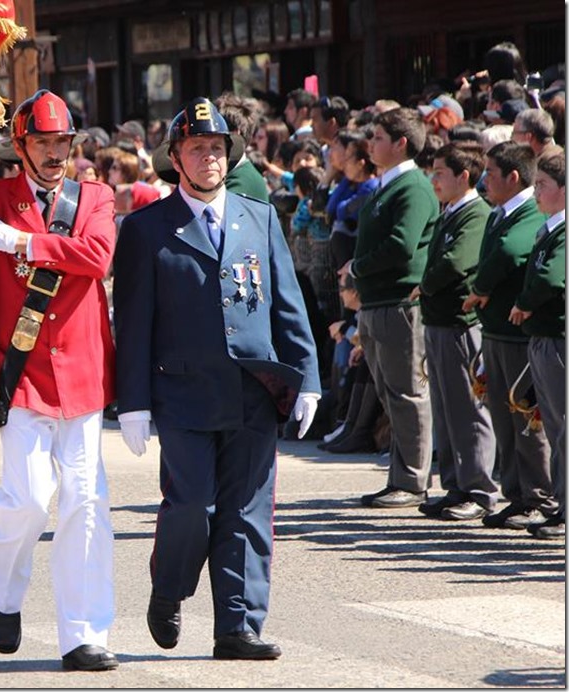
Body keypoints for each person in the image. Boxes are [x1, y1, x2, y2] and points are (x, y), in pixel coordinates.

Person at [113, 97, 320, 661]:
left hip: (254, 388)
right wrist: (131, 401)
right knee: (192, 505)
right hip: (181, 392)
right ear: (175, 157)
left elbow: (287, 303)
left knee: (248, 511)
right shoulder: (146, 228)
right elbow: (132, 323)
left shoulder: (259, 215)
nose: (208, 157)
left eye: (217, 148)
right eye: (196, 148)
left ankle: (238, 625)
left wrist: (308, 378)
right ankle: (169, 588)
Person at [0, 89, 119, 672]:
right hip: (21, 376)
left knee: (84, 501)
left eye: (61, 141)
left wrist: (22, 243)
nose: (53, 152)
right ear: (20, 145)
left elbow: (96, 257)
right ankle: (4, 592)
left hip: (83, 373)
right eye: (42, 142)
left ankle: (82, 632)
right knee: (26, 501)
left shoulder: (94, 196)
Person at [341, 107, 438, 509]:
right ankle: (400, 475)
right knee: (389, 392)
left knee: (407, 393)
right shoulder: (387, 185)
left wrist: (358, 266)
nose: (371, 143)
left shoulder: (412, 186)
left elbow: (402, 245)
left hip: (399, 302)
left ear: (401, 143)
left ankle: (413, 481)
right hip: (378, 302)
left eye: (379, 137)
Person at [463, 141, 554, 530]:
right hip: (497, 329)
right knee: (503, 416)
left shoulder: (529, 211)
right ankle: (516, 494)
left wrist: (481, 286)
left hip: (518, 333)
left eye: (492, 174)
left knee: (526, 419)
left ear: (513, 177)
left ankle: (538, 497)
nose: (485, 181)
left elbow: (508, 253)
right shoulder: (500, 212)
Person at [411, 142, 498, 520]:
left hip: (460, 325)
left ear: (464, 176)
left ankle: (479, 490)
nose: (435, 180)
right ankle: (454, 485)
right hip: (439, 322)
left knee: (469, 411)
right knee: (446, 410)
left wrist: (423, 285)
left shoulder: (475, 213)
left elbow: (456, 262)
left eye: (441, 173)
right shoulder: (451, 211)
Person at [512, 151, 566, 540]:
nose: (536, 193)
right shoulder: (550, 227)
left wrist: (524, 303)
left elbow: (551, 279)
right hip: (543, 337)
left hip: (558, 338)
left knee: (564, 428)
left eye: (543, 185)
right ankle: (561, 505)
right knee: (554, 426)